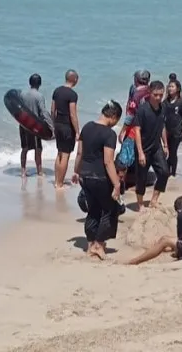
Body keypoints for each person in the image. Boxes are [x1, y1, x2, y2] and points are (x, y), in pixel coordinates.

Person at [71, 100, 123, 261]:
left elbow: (79, 153)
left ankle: (90, 244)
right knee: (109, 211)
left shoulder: (87, 127)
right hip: (100, 177)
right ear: (113, 116)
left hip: (85, 176)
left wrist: (76, 171)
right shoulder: (109, 134)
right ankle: (99, 245)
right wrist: (117, 184)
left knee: (93, 211)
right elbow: (108, 161)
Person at [132, 80, 170, 210]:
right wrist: (140, 152)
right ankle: (140, 204)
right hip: (143, 148)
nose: (158, 97)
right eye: (155, 95)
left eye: (161, 95)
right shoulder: (142, 110)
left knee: (165, 172)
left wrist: (165, 144)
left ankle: (154, 200)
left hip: (156, 147)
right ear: (149, 93)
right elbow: (136, 130)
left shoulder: (163, 107)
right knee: (141, 177)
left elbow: (163, 126)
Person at [51, 70, 80, 189]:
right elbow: (73, 114)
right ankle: (60, 184)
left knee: (59, 153)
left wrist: (54, 124)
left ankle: (57, 180)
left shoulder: (57, 91)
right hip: (67, 126)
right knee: (66, 155)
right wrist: (77, 131)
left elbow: (53, 110)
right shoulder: (72, 95)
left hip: (58, 124)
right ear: (74, 80)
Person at [19, 73, 53, 177]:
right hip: (34, 126)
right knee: (38, 148)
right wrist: (51, 126)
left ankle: (23, 171)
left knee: (24, 148)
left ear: (30, 83)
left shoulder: (22, 94)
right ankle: (39, 171)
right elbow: (43, 112)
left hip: (23, 124)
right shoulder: (39, 96)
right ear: (40, 84)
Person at [162, 78, 182, 177]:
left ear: (177, 89)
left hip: (177, 131)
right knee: (167, 151)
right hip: (167, 131)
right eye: (169, 86)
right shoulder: (165, 102)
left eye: (172, 86)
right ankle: (168, 171)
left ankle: (172, 173)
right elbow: (161, 118)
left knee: (173, 151)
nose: (170, 88)